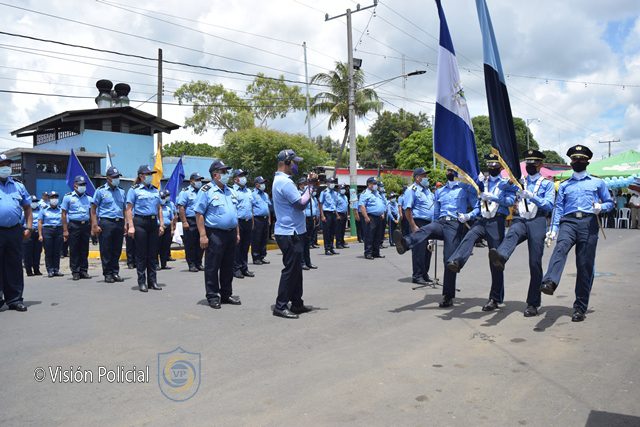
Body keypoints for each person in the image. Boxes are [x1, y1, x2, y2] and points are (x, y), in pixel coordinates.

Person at [540, 145, 614, 322]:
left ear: (587, 161)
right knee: (561, 247)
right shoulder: (564, 185)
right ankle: (549, 281)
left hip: (589, 223)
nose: (578, 161)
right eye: (575, 159)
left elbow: (610, 202)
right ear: (571, 162)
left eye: (581, 159)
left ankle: (580, 307)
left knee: (584, 265)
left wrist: (601, 207)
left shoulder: (597, 183)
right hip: (569, 222)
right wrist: (553, 229)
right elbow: (558, 207)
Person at [394, 168, 477, 308]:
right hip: (440, 222)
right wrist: (431, 234)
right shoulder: (440, 191)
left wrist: (469, 216)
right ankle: (405, 243)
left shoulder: (465, 189)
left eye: (452, 170)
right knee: (426, 229)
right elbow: (436, 213)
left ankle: (448, 296)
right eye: (448, 170)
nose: (449, 172)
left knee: (448, 260)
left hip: (455, 224)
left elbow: (477, 207)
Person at [445, 155, 518, 312]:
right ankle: (456, 261)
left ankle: (495, 298)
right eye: (489, 165)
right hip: (482, 219)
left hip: (497, 221)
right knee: (469, 236)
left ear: (501, 167)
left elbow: (511, 201)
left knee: (495, 260)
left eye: (494, 165)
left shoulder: (506, 183)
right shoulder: (481, 182)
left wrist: (495, 198)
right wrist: (469, 215)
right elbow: (478, 204)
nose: (491, 167)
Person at [488, 150, 555, 317]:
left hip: (537, 220)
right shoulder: (520, 180)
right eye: (528, 163)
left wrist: (532, 196)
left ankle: (533, 303)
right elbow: (501, 186)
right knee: (512, 234)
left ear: (540, 165)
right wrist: (509, 182)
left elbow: (549, 205)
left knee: (534, 262)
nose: (530, 166)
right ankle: (501, 257)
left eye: (534, 163)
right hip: (521, 219)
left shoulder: (547, 184)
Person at [271, 149, 315, 319]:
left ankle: (297, 303)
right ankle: (281, 305)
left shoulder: (281, 180)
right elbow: (300, 204)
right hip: (289, 232)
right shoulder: (285, 182)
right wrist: (310, 187)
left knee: (296, 269)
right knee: (290, 270)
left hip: (293, 231)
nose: (296, 165)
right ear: (287, 162)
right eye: (294, 162)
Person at [194, 160, 241, 309]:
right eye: (224, 172)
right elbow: (199, 213)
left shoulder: (230, 191)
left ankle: (226, 294)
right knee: (212, 266)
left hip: (231, 233)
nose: (227, 174)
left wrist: (237, 233)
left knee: (228, 265)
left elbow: (234, 214)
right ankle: (213, 295)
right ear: (215, 175)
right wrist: (203, 235)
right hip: (215, 234)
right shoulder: (206, 190)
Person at [0, 154, 32, 312]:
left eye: (7, 165)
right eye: (2, 165)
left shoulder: (18, 186)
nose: (5, 168)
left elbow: (27, 207)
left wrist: (29, 227)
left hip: (14, 230)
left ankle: (14, 299)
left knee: (14, 265)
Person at [126, 165, 164, 292]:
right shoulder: (134, 190)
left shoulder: (155, 190)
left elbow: (159, 208)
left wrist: (161, 224)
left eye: (151, 174)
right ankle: (142, 281)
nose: (150, 176)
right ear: (141, 176)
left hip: (153, 223)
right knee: (141, 254)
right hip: (140, 222)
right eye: (148, 174)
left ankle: (153, 281)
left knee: (153, 254)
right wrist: (131, 226)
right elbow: (129, 209)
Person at [91, 166, 126, 283]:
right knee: (106, 249)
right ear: (108, 178)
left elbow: (125, 209)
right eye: (114, 177)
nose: (117, 179)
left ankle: (115, 272)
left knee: (117, 249)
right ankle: (107, 273)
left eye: (118, 177)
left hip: (119, 222)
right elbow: (93, 209)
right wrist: (95, 225)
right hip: (106, 222)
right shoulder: (100, 191)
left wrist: (126, 224)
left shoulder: (122, 191)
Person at [404, 168, 435, 286]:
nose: (427, 178)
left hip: (429, 224)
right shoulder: (411, 190)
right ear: (417, 178)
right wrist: (413, 225)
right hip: (418, 222)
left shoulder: (427, 191)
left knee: (428, 250)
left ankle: (424, 274)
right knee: (419, 250)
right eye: (424, 176)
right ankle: (417, 276)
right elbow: (407, 209)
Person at [61, 176, 93, 281]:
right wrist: (65, 230)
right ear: (75, 185)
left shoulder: (89, 198)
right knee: (74, 249)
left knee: (84, 249)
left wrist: (93, 227)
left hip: (85, 225)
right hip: (74, 225)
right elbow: (64, 214)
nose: (82, 186)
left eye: (84, 184)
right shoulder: (68, 197)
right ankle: (75, 271)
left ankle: (83, 270)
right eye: (80, 184)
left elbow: (92, 214)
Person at [177, 172, 205, 273]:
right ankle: (191, 264)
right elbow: (181, 207)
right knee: (190, 244)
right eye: (197, 180)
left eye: (200, 180)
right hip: (190, 220)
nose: (199, 182)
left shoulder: (202, 191)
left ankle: (199, 262)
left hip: (201, 220)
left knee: (201, 243)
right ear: (191, 181)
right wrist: (184, 221)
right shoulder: (185, 192)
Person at [232, 169, 255, 279]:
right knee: (237, 247)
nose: (243, 178)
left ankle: (244, 268)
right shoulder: (232, 191)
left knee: (245, 247)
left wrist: (252, 221)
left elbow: (251, 208)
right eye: (240, 176)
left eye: (244, 175)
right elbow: (233, 210)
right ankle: (236, 269)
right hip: (238, 222)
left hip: (248, 221)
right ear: (235, 179)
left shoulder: (248, 191)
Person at [359, 177, 386, 260]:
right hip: (371, 216)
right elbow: (362, 206)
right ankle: (368, 253)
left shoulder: (377, 193)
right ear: (369, 184)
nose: (375, 185)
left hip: (379, 217)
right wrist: (366, 217)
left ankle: (376, 252)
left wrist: (382, 213)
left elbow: (381, 203)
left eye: (376, 184)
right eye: (374, 183)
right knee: (370, 236)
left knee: (378, 236)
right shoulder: (365, 193)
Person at [38, 191, 64, 278]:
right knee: (49, 251)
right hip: (47, 230)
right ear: (49, 199)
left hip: (58, 230)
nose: (54, 199)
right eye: (52, 197)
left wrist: (65, 232)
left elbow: (65, 221)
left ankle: (56, 269)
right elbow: (40, 222)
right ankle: (50, 270)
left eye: (56, 197)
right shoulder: (44, 209)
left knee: (57, 251)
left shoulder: (61, 210)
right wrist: (40, 235)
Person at [251, 176, 271, 265]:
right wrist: (252, 221)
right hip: (257, 219)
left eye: (264, 183)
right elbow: (251, 208)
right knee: (256, 239)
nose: (263, 185)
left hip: (265, 219)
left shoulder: (265, 195)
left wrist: (269, 219)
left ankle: (262, 256)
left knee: (264, 238)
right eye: (261, 183)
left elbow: (267, 207)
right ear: (256, 184)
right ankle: (256, 257)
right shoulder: (253, 194)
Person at [300, 177, 318, 270]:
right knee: (302, 242)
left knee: (307, 242)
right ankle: (302, 262)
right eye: (304, 184)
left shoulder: (310, 195)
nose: (306, 186)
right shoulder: (300, 194)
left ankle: (308, 262)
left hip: (311, 218)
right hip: (304, 219)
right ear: (300, 185)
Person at [23, 195, 43, 276]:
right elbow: (21, 222)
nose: (34, 203)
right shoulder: (25, 212)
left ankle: (36, 269)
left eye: (35, 202)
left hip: (37, 233)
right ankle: (29, 270)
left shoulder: (40, 211)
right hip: (28, 233)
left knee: (37, 252)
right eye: (32, 202)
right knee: (28, 253)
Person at [319, 177, 339, 256]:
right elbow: (320, 203)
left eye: (333, 182)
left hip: (333, 213)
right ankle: (327, 249)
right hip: (326, 213)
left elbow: (334, 205)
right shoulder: (324, 192)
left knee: (332, 232)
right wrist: (322, 215)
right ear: (327, 183)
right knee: (327, 232)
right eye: (331, 182)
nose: (332, 184)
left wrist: (337, 214)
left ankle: (331, 248)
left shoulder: (335, 193)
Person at [158, 190, 176, 270]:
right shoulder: (156, 208)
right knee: (157, 247)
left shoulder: (168, 208)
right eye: (161, 198)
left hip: (168, 228)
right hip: (159, 228)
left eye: (164, 198)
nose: (163, 199)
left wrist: (172, 230)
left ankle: (164, 264)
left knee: (165, 247)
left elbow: (171, 219)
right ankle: (156, 264)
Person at [335, 184, 350, 249]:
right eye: (342, 189)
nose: (343, 190)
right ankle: (338, 244)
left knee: (343, 230)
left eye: (344, 189)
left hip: (344, 214)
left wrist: (347, 214)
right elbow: (334, 207)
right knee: (338, 230)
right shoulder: (336, 197)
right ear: (339, 189)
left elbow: (346, 206)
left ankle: (342, 242)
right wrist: (337, 215)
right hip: (339, 214)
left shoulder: (345, 197)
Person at [376, 182, 388, 249]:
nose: (382, 188)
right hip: (380, 214)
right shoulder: (376, 194)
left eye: (382, 186)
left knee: (383, 229)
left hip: (384, 212)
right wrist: (382, 213)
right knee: (379, 230)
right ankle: (378, 244)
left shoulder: (383, 194)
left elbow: (385, 203)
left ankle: (381, 242)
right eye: (381, 186)